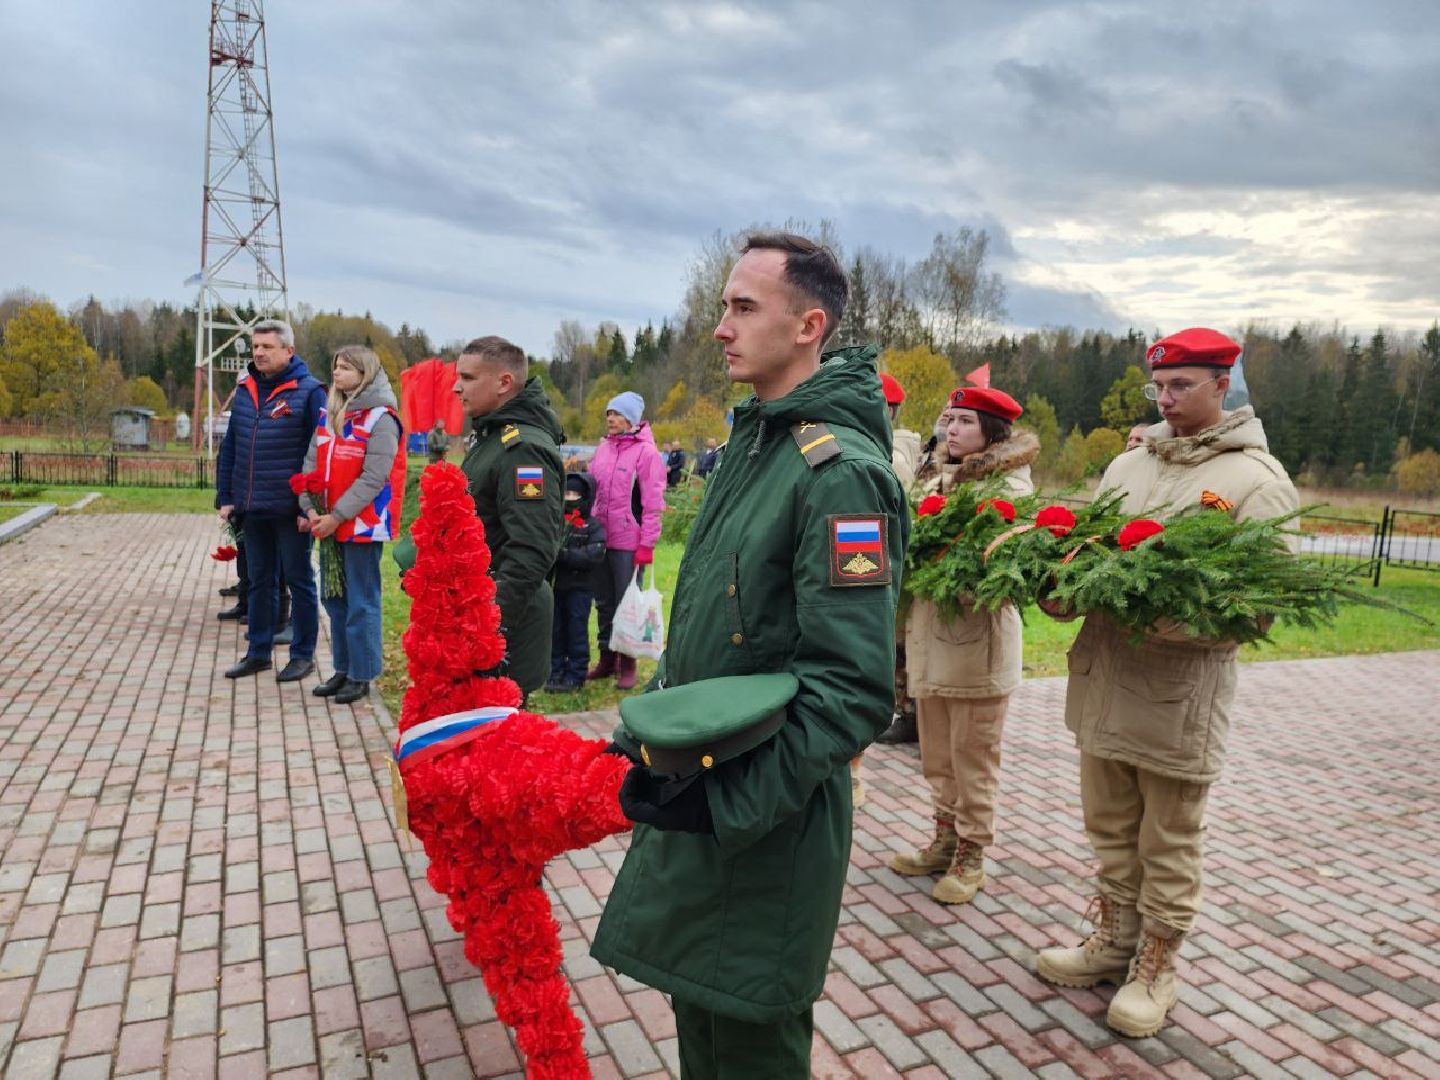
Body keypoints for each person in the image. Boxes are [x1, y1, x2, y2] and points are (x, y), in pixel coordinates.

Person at [590, 232, 908, 1078]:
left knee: (748, 1036)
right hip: (715, 784)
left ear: (808, 326)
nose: (720, 328)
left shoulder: (838, 475)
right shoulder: (760, 447)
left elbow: (852, 688)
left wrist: (728, 804)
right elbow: (715, 626)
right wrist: (660, 744)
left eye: (742, 307)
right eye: (721, 307)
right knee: (705, 1009)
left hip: (765, 813)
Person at [1035, 328, 1299, 1037]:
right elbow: (1087, 552)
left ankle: (1158, 964)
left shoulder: (1256, 483)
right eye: (1159, 385)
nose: (1166, 397)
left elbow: (1255, 607)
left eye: (1182, 385)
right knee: (1110, 829)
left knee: (1169, 841)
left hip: (1178, 700)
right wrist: (1059, 584)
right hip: (1104, 684)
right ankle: (1112, 942)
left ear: (1224, 386)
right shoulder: (1128, 469)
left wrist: (1146, 615)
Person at [886, 386, 1038, 905]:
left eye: (965, 422)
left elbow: (998, 569)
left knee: (974, 759)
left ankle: (972, 855)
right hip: (930, 642)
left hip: (977, 650)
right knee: (937, 756)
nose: (950, 430)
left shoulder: (1009, 491)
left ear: (993, 433)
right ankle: (944, 838)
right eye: (948, 419)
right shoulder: (933, 479)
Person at [446, 335, 566, 700]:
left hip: (504, 626)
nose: (456, 387)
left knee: (499, 743)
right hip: (480, 613)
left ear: (503, 383)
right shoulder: (492, 437)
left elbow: (531, 550)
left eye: (467, 378)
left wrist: (488, 627)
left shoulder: (522, 449)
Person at [216, 319, 324, 683]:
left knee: (298, 580)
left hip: (291, 509)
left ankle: (302, 654)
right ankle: (258, 652)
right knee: (259, 581)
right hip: (251, 505)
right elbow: (231, 444)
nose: (259, 352)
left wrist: (308, 506)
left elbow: (318, 452)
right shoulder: (246, 390)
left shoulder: (309, 392)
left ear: (288, 351)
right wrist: (226, 495)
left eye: (267, 347)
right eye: (255, 346)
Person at [299, 346, 405, 706]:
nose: (337, 374)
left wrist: (337, 515)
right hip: (326, 522)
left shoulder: (382, 419)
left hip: (360, 525)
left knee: (361, 601)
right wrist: (310, 508)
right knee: (334, 598)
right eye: (335, 367)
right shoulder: (329, 414)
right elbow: (311, 464)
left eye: (346, 368)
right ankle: (343, 668)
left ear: (365, 373)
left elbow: (375, 477)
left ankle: (363, 674)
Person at [587, 391, 666, 690]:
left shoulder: (647, 454)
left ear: (631, 420)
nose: (611, 418)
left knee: (626, 604)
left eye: (617, 414)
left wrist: (647, 544)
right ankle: (607, 660)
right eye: (609, 413)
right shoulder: (603, 449)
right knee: (604, 603)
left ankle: (628, 664)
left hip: (628, 542)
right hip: (599, 539)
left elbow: (653, 502)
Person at [873, 371, 927, 747]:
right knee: (893, 644)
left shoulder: (895, 453)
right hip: (884, 561)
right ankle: (904, 711)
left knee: (902, 645)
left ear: (889, 410)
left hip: (898, 563)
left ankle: (910, 715)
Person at [544, 472, 606, 693]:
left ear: (585, 497)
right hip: (557, 588)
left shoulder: (592, 526)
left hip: (580, 588)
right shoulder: (556, 523)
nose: (570, 498)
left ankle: (576, 674)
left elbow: (594, 555)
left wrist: (566, 555)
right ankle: (555, 670)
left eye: (575, 494)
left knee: (577, 631)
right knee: (556, 631)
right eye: (567, 493)